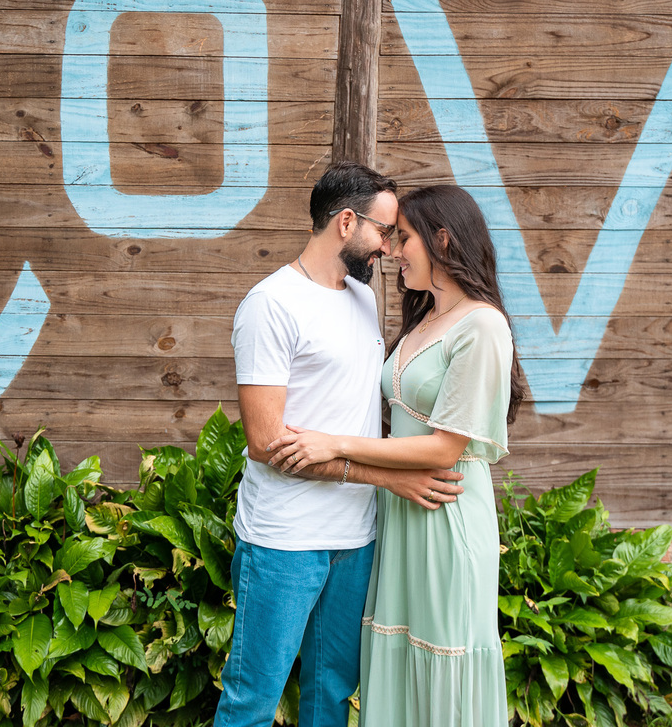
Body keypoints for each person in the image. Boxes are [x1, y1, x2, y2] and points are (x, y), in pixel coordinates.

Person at [214, 163, 468, 727]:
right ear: (346, 222)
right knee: (252, 699)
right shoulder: (270, 304)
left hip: (356, 539)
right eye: (384, 232)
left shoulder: (361, 298)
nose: (390, 247)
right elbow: (265, 442)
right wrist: (384, 476)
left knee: (329, 697)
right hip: (286, 541)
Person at [268, 184, 526, 727]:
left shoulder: (483, 325)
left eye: (402, 238)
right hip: (400, 512)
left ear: (442, 239)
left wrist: (332, 444)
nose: (391, 251)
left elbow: (444, 446)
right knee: (396, 657)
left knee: (441, 661)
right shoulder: (423, 319)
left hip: (445, 513)